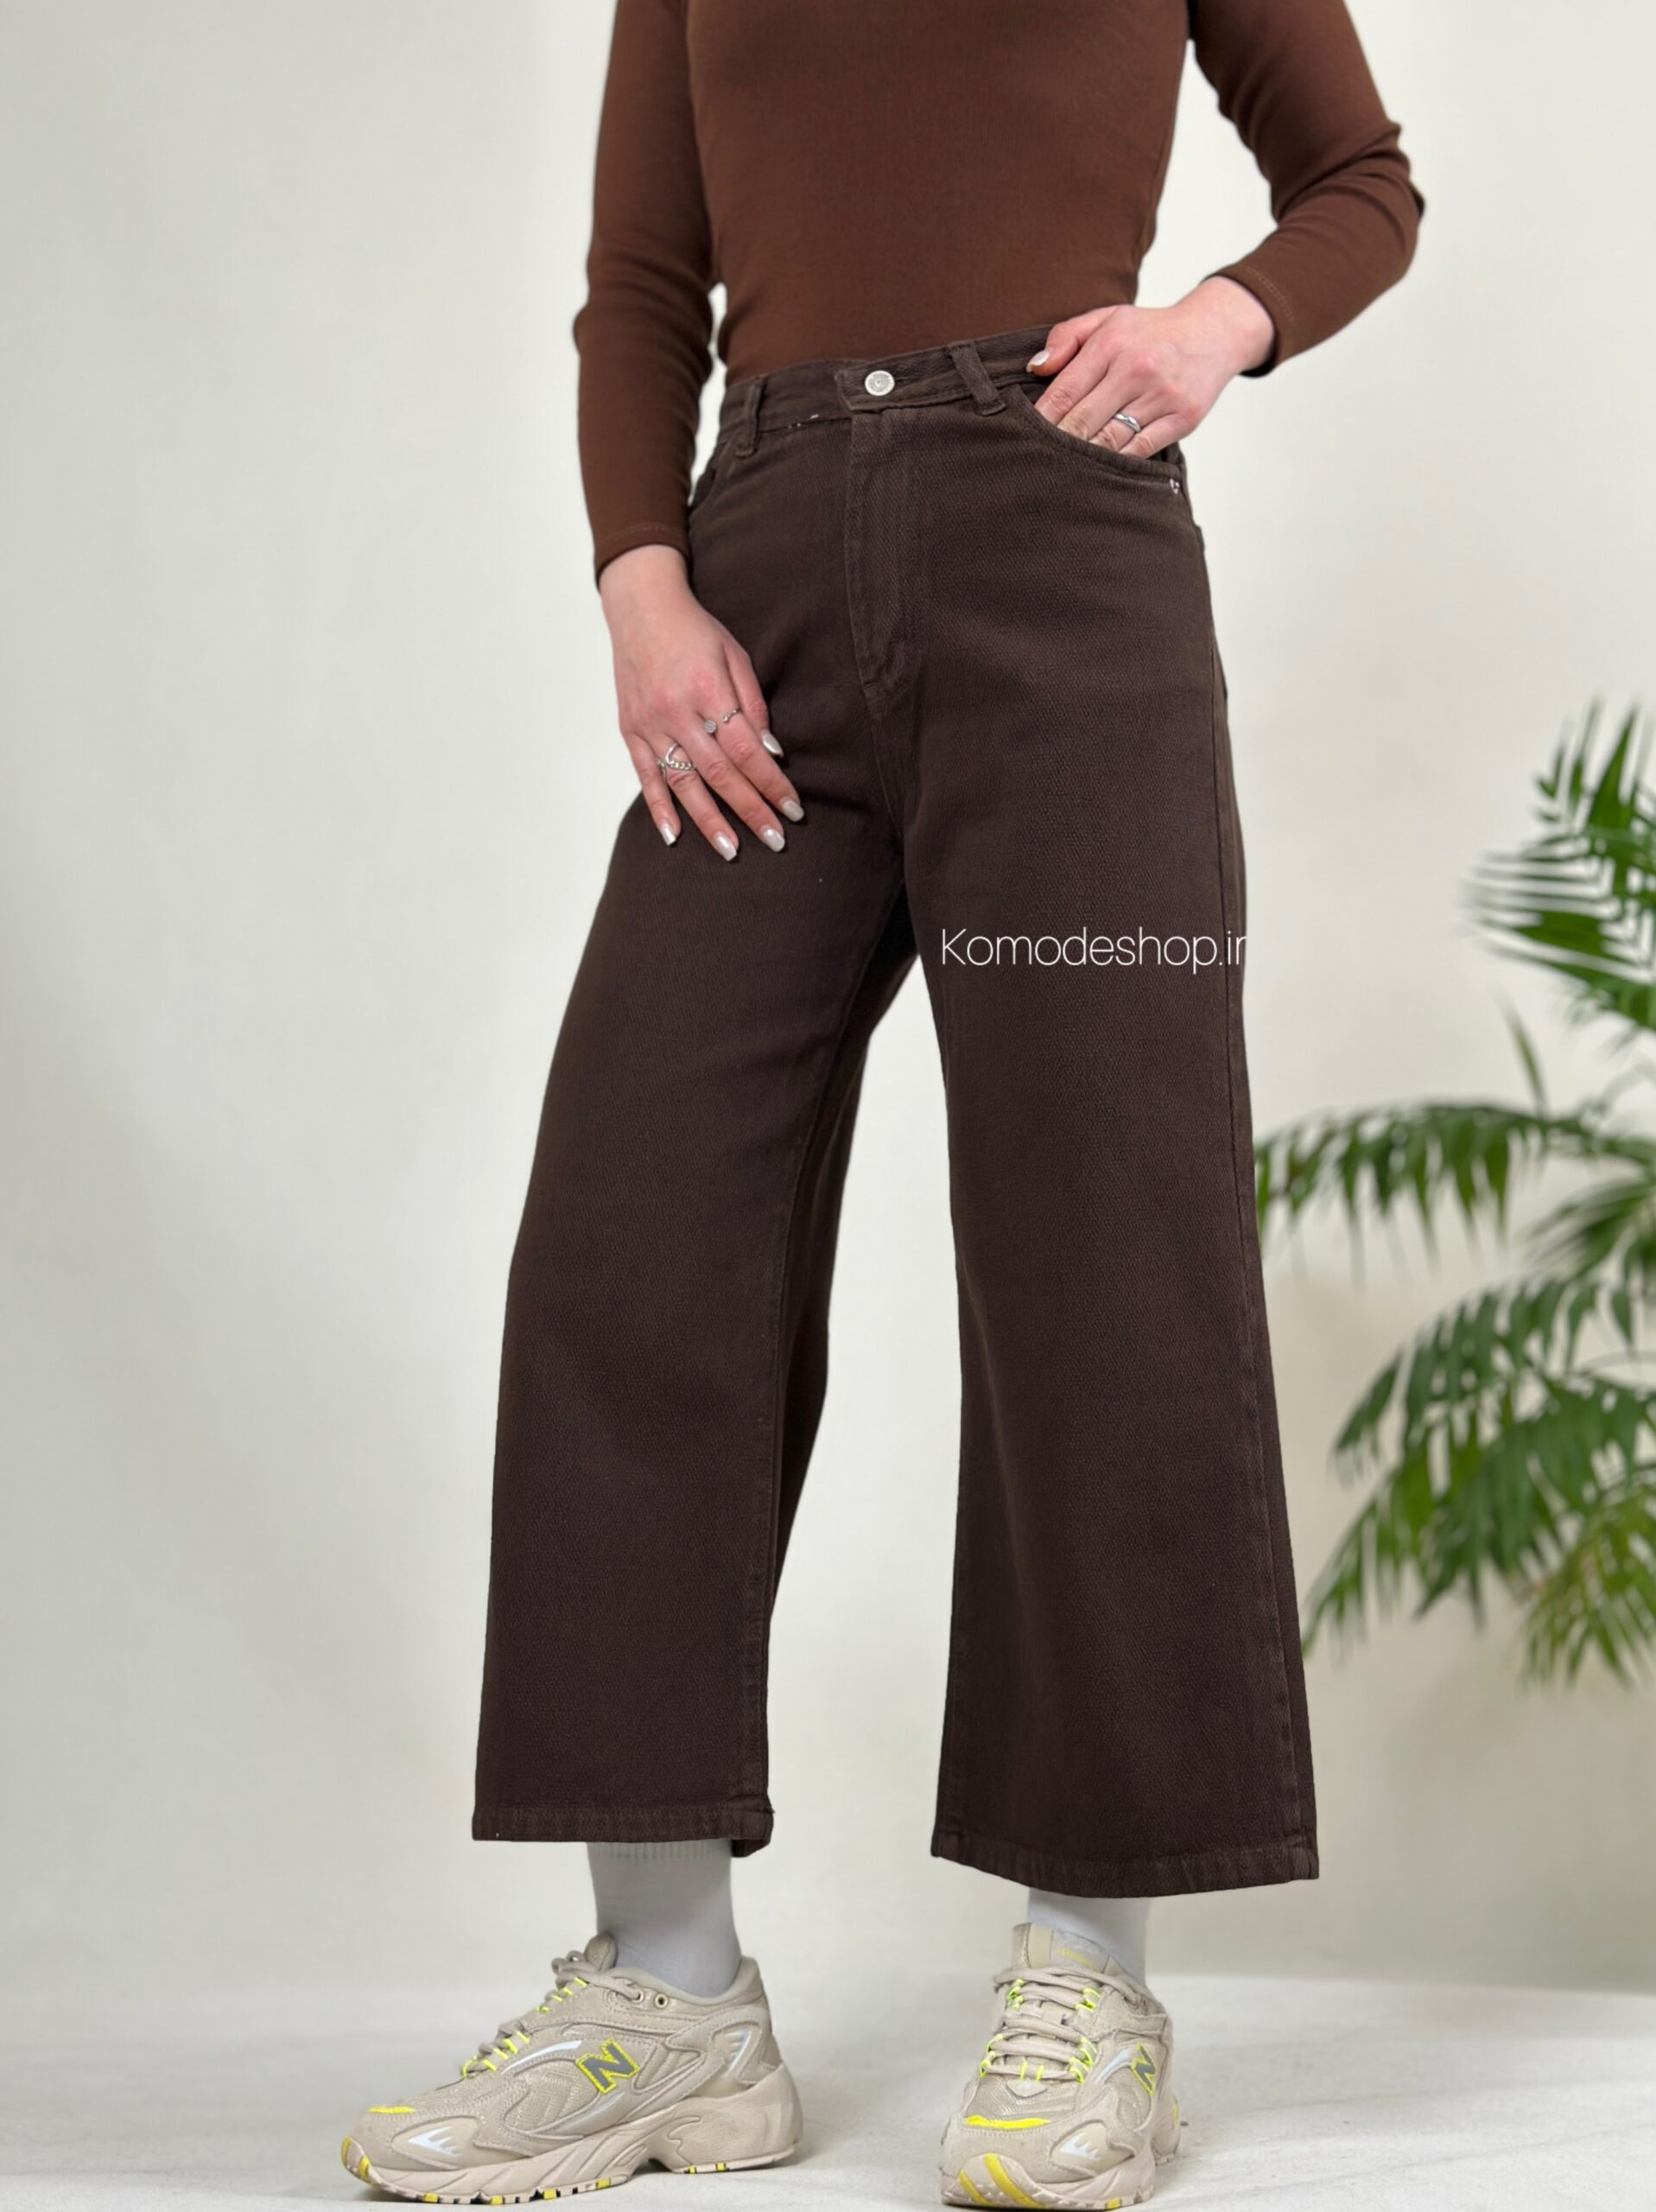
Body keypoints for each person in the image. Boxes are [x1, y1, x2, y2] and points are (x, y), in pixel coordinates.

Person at [342, 1, 1420, 2202]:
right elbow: (641, 284)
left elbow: (1359, 185)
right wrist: (642, 580)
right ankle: (666, 1999)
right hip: (753, 601)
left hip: (1059, 566)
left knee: (1095, 1238)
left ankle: (1086, 1975)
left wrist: (1214, 323)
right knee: (635, 1224)